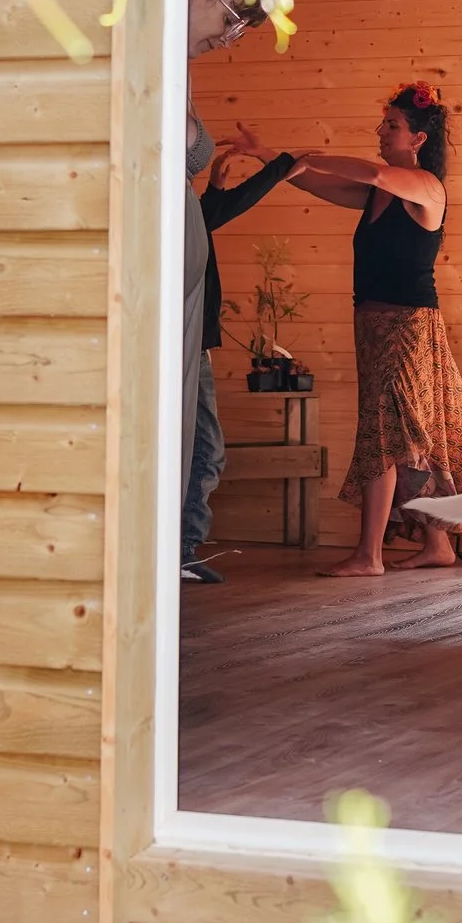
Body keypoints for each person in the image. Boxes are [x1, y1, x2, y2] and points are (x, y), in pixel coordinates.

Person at [278, 82, 462, 577]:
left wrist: (311, 155)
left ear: (417, 139)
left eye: (391, 124)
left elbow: (372, 170)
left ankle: (369, 554)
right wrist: (277, 161)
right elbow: (311, 183)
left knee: (386, 433)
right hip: (371, 323)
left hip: (407, 325)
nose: (381, 130)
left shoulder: (426, 187)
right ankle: (438, 544)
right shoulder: (376, 194)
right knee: (411, 433)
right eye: (384, 122)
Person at [179, 0, 270, 583]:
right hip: (170, 279)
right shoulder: (158, 59)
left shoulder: (180, 67)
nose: (231, 39)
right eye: (230, 20)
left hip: (191, 282)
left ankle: (178, 546)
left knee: (197, 430)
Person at [181, 123, 305, 581]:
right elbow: (222, 211)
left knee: (204, 449)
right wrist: (280, 168)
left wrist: (222, 183)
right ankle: (182, 549)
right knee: (205, 449)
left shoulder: (183, 209)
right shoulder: (172, 208)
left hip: (194, 342)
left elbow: (211, 213)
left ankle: (183, 547)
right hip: (186, 343)